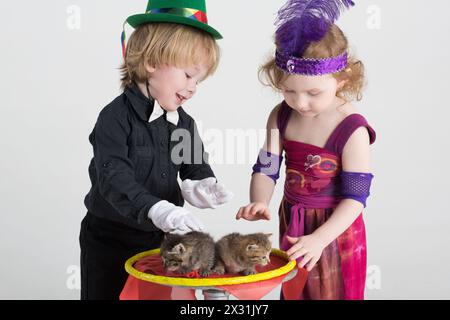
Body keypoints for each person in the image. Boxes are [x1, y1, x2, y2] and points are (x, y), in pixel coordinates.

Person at [80, 0, 232, 300]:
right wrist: (155, 208)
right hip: (109, 239)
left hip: (162, 240)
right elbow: (114, 177)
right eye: (188, 75)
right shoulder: (113, 118)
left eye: (198, 81)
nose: (192, 88)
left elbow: (193, 163)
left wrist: (204, 183)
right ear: (151, 61)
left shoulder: (183, 122)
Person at [236, 0, 376, 300]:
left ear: (342, 80)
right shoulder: (281, 115)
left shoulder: (352, 129)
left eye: (313, 93)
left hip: (335, 232)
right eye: (289, 91)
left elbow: (356, 198)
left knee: (333, 293)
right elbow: (266, 168)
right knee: (297, 291)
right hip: (293, 220)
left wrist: (320, 239)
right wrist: (259, 201)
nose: (300, 103)